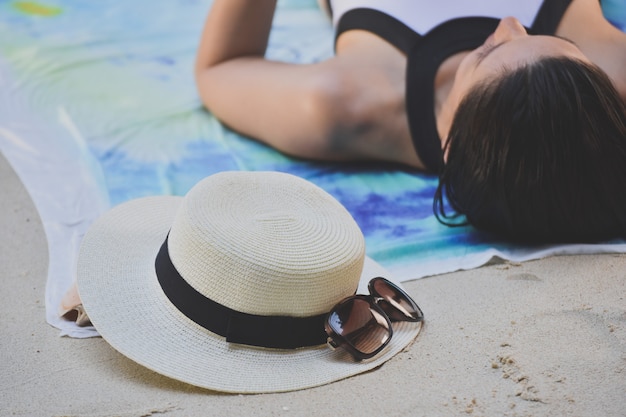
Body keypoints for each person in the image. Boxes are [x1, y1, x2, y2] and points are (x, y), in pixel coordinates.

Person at [194, 0, 626, 243]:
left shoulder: (345, 103)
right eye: (564, 45)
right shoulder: (612, 72)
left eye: (488, 51)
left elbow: (222, 66)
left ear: (453, 146)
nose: (512, 24)